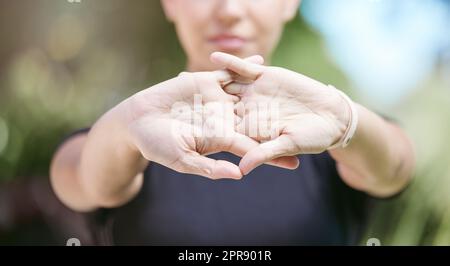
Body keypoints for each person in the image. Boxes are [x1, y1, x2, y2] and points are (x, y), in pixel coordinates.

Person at [50, 0, 415, 245]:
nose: (228, 10)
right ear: (170, 4)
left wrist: (347, 122)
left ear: (289, 4)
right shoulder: (126, 135)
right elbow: (80, 178)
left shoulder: (331, 130)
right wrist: (126, 126)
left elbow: (396, 166)